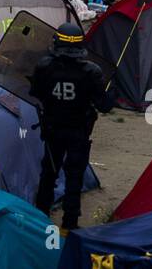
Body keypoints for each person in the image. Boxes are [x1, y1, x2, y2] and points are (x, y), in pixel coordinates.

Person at [30, 22, 108, 231]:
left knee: (48, 175)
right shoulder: (92, 72)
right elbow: (104, 105)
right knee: (74, 177)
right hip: (78, 131)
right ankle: (69, 225)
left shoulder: (44, 67)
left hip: (53, 130)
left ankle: (40, 220)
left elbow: (35, 94)